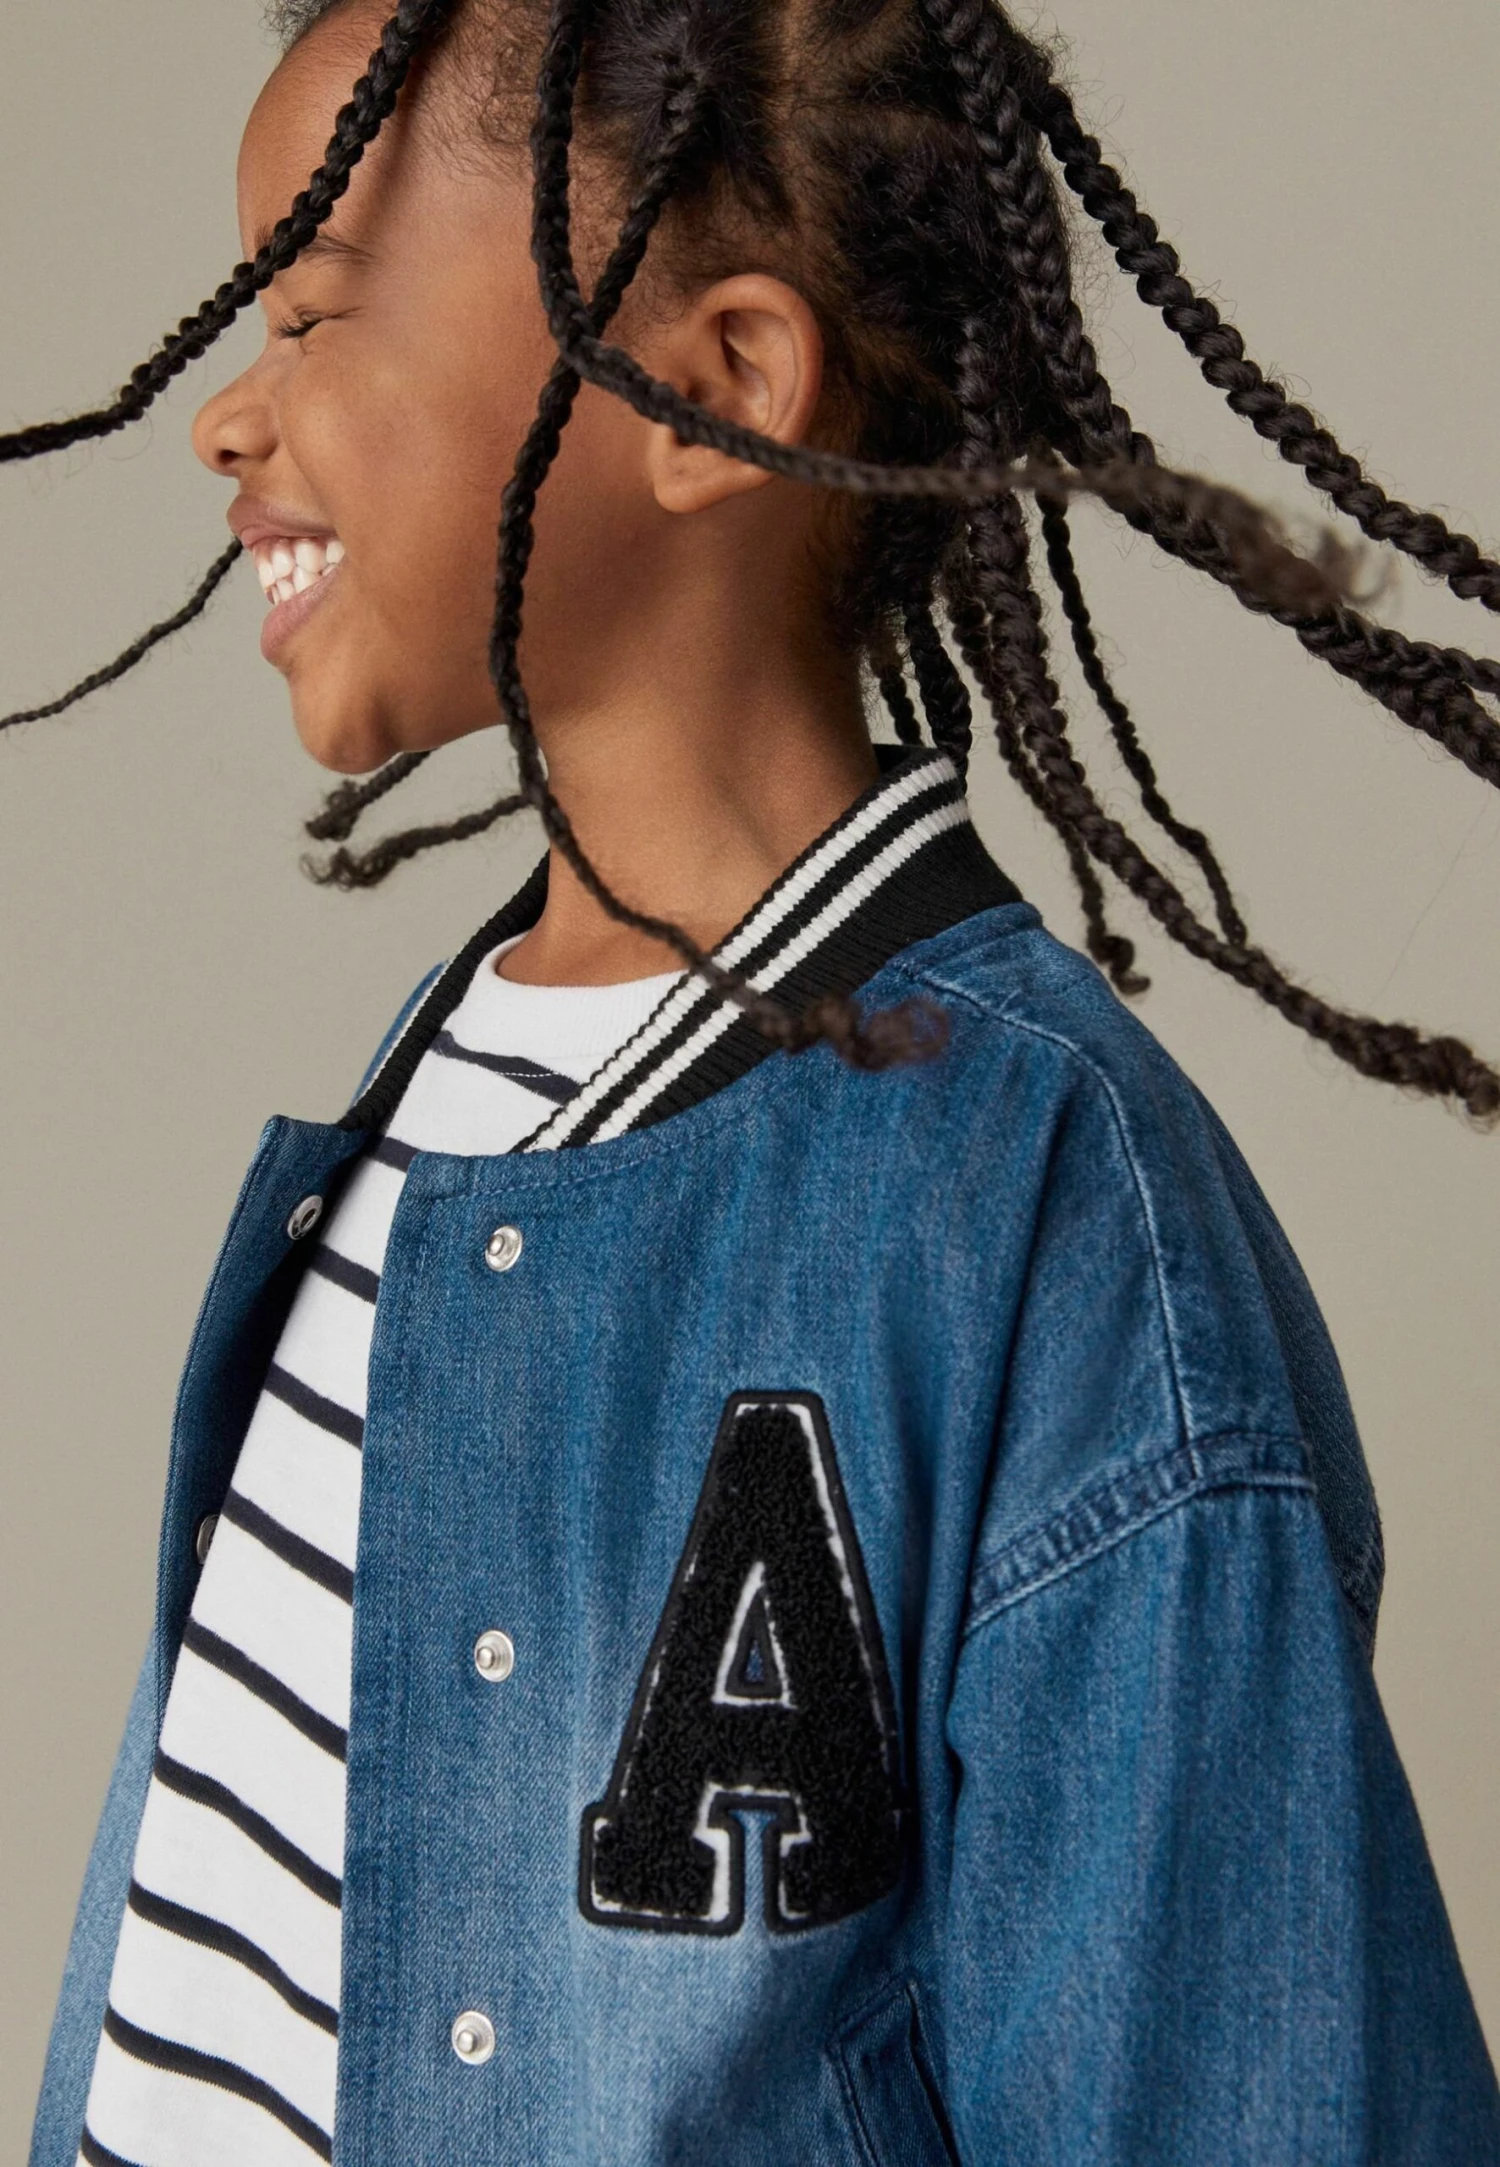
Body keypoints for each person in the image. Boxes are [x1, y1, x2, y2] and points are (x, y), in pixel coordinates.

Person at [14, 0, 1500, 2160]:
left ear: (714, 391)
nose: (229, 416)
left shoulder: (1051, 1206)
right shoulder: (440, 1097)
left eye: (319, 314)